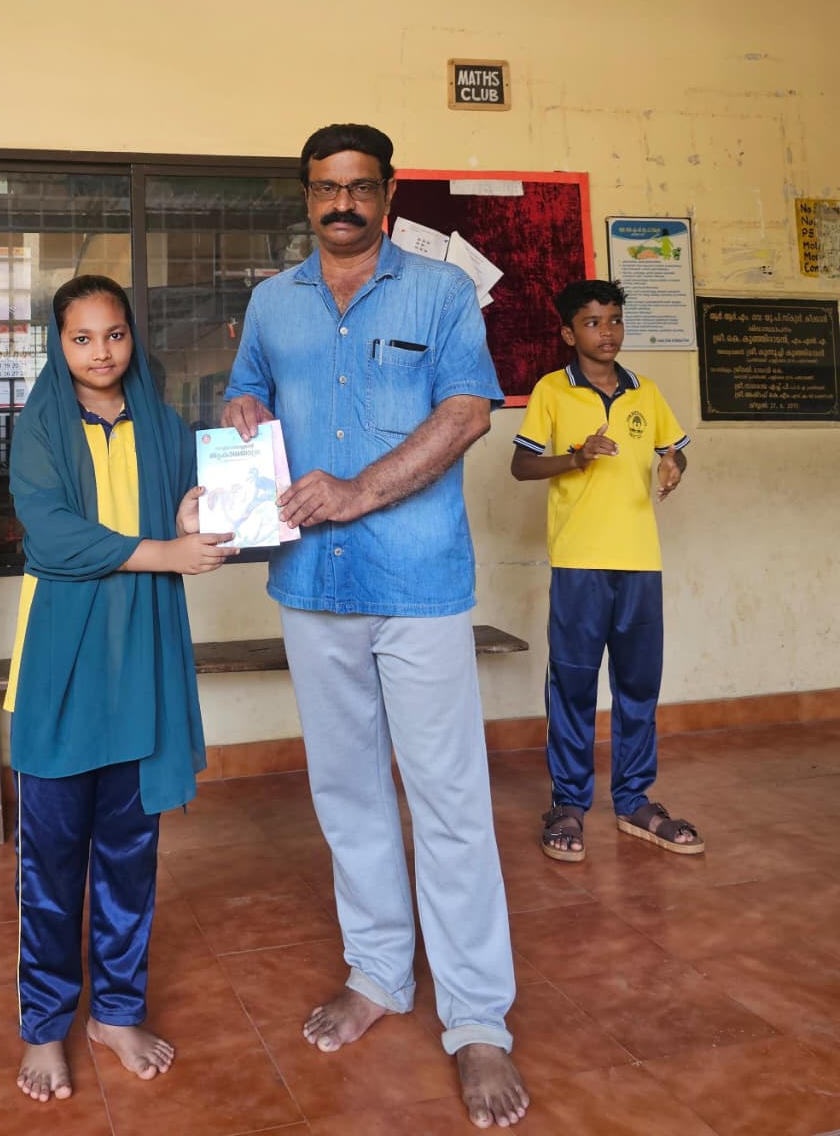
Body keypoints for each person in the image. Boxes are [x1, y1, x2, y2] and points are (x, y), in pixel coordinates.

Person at [223, 123, 529, 1129]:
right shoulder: (272, 301)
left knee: (448, 799)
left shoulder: (440, 292)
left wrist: (357, 491)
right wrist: (242, 412)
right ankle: (379, 973)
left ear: (387, 194)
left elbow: (467, 412)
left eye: (359, 187)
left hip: (416, 580)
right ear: (306, 197)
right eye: (325, 188)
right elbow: (247, 387)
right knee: (348, 791)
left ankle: (476, 1018)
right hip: (311, 585)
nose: (341, 203)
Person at [5, 274, 236, 1103]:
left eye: (114, 334)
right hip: (62, 669)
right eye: (82, 337)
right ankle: (44, 1025)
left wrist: (185, 523)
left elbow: (173, 515)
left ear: (132, 337)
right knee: (51, 864)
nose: (101, 352)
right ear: (58, 343)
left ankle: (115, 1011)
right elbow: (53, 538)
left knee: (130, 855)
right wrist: (164, 553)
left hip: (141, 661)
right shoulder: (39, 423)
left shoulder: (163, 424)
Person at [511, 278, 702, 862]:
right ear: (569, 334)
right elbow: (521, 465)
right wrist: (577, 457)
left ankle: (634, 801)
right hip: (580, 563)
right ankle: (568, 804)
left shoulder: (646, 391)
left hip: (641, 561)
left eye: (614, 319)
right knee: (573, 686)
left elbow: (674, 448)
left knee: (639, 685)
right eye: (592, 322)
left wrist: (674, 464)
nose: (607, 332)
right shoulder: (552, 389)